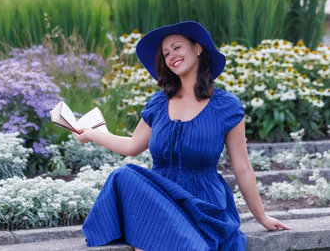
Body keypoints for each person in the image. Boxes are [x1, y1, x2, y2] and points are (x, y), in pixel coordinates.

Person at [73, 21, 290, 251]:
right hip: (162, 199)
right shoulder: (158, 103)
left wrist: (262, 217)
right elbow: (132, 146)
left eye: (177, 47)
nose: (171, 56)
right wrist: (92, 134)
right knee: (124, 175)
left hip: (203, 205)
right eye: (166, 53)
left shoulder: (226, 106)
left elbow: (243, 167)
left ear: (197, 48)